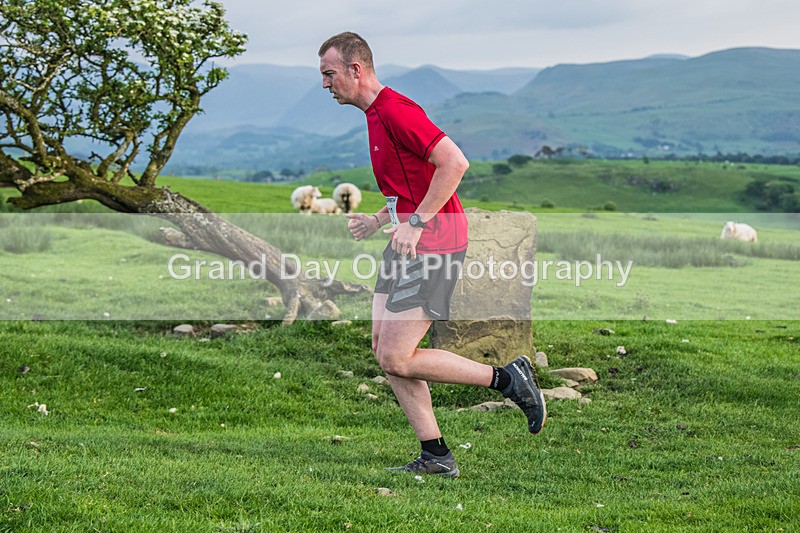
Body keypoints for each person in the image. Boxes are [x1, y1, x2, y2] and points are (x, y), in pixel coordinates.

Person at [318, 32, 546, 478]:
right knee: (384, 348)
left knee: (397, 357)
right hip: (407, 242)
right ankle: (436, 455)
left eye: (329, 74)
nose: (325, 84)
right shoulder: (374, 114)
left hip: (434, 244)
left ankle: (508, 379)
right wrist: (379, 220)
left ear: (355, 70)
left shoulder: (397, 111)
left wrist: (418, 222)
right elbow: (410, 184)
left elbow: (454, 163)